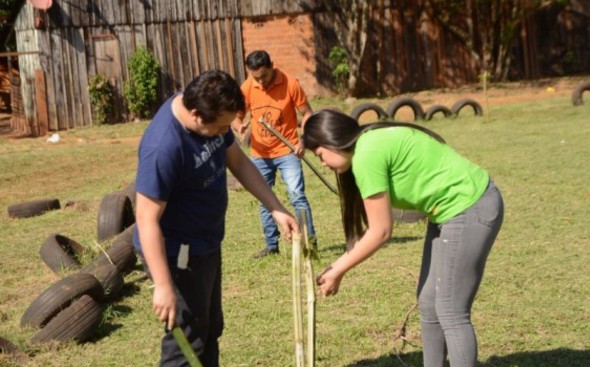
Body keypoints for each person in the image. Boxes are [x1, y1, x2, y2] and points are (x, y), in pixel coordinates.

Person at [302, 109, 504, 367]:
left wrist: (337, 270)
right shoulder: (368, 142)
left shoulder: (366, 155)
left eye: (319, 155)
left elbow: (381, 231)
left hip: (469, 206)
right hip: (446, 212)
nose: (322, 164)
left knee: (451, 311)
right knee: (429, 303)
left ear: (332, 141)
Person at [133, 70, 298, 366]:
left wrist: (276, 207)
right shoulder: (164, 147)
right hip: (178, 254)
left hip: (206, 243)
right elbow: (146, 219)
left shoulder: (212, 116)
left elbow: (238, 162)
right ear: (196, 115)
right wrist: (163, 284)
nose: (226, 133)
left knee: (210, 328)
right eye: (222, 127)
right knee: (186, 340)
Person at [232, 50, 317, 259]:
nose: (260, 82)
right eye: (255, 77)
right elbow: (236, 116)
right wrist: (238, 127)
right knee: (264, 198)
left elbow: (307, 113)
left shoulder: (290, 83)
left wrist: (303, 140)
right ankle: (272, 245)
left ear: (272, 66)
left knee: (297, 196)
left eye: (264, 76)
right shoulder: (248, 87)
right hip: (260, 153)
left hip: (287, 150)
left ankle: (309, 242)